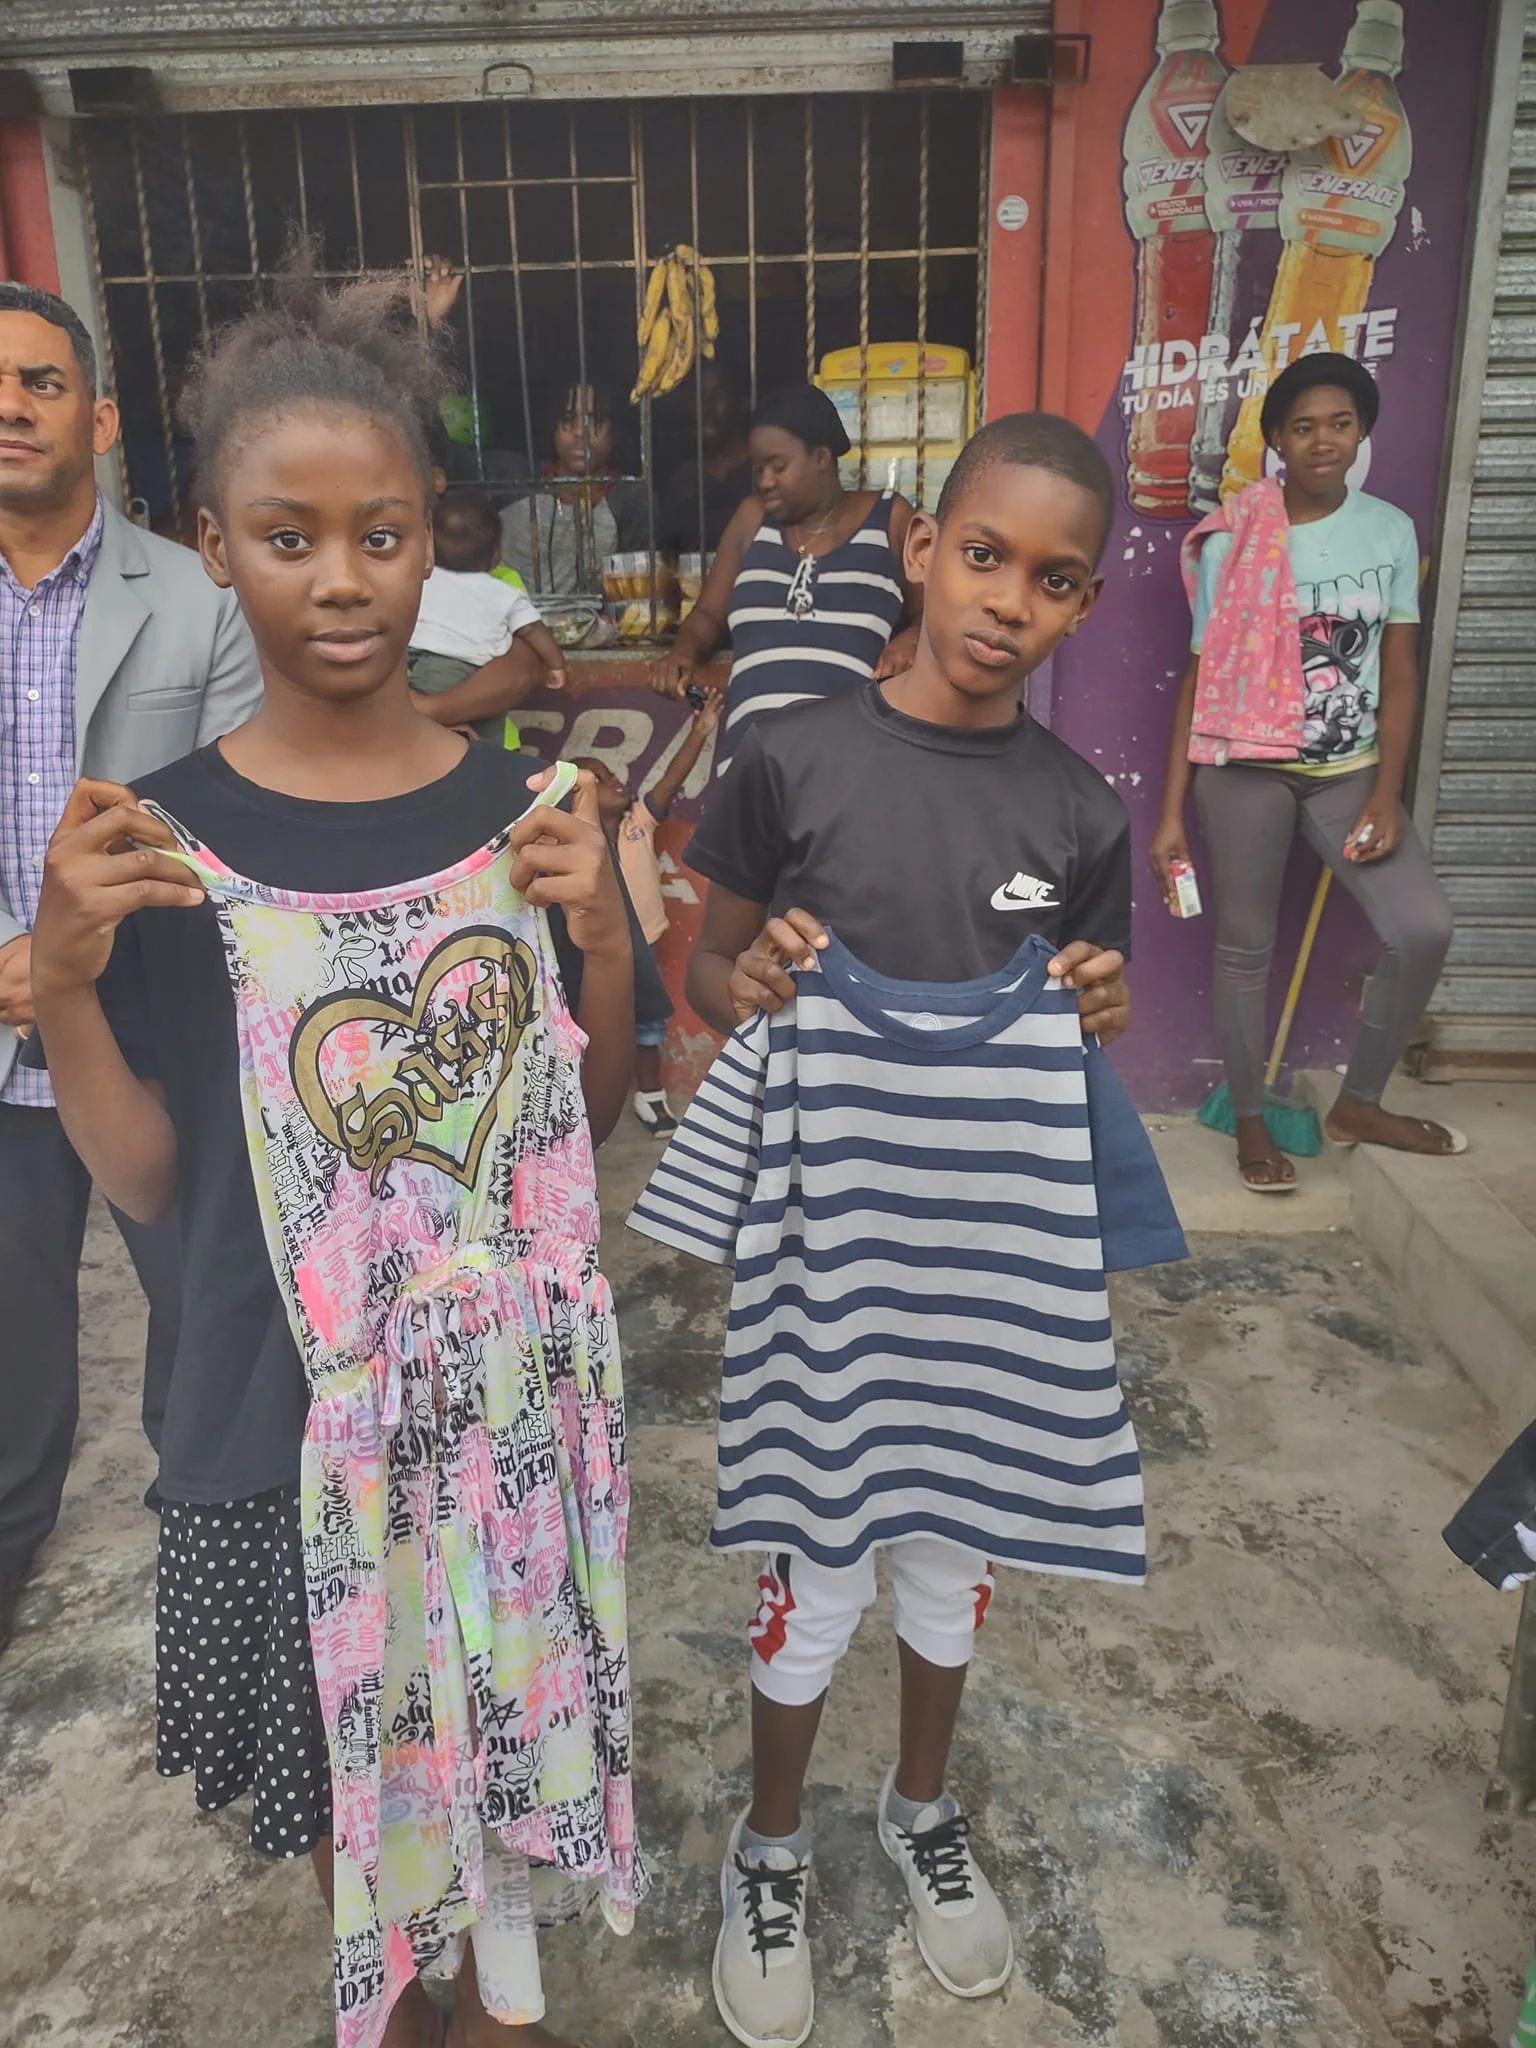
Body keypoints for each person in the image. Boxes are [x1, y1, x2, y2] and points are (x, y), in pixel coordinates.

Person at [29, 263, 648, 2048]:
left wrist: (602, 935)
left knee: (509, 1772)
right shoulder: (159, 847)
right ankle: (419, 1999)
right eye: (287, 534)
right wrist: (64, 985)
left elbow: (574, 1136)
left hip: (503, 1420)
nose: (341, 577)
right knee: (352, 1792)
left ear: (431, 542)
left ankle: (498, 1998)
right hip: (270, 1420)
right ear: (211, 542)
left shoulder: (523, 809)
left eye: (380, 532)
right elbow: (148, 1182)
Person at [647, 413, 1153, 2048]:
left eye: (1056, 578)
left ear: (1082, 604)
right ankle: (770, 1837)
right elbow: (713, 971)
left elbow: (1081, 1032)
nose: (1012, 598)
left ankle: (919, 1809)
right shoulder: (793, 755)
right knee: (818, 1565)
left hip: (985, 1267)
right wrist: (754, 982)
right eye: (987, 553)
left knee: (952, 1557)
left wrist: (1099, 1001)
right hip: (830, 1256)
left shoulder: (1079, 815)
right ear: (921, 548)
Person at [0, 281, 261, 1656]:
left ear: (95, 416)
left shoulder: (197, 595)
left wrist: (61, 962)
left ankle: (210, 1574)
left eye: (41, 381)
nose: (10, 405)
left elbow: (225, 813)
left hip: (153, 1033)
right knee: (9, 1356)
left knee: (202, 1328)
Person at [1149, 352, 1459, 1194]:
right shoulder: (1237, 535)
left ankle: (1359, 1102)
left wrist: (1388, 793)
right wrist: (1172, 811)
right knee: (1245, 948)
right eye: (1304, 426)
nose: (1323, 440)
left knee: (1421, 927)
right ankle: (1250, 1119)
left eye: (1341, 423)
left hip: (1348, 773)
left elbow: (1399, 671)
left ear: (1361, 433)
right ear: (1277, 440)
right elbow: (1199, 677)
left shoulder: (1390, 531)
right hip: (1244, 769)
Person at [650, 384, 921, 770]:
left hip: (847, 771)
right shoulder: (750, 519)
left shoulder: (889, 519)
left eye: (778, 467)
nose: (765, 481)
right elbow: (708, 615)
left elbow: (935, 613)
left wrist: (912, 639)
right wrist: (682, 653)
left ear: (821, 457)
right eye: (758, 469)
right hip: (748, 769)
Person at [578, 685, 723, 1136]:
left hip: (644, 946)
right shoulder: (574, 844)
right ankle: (582, 1102)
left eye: (612, 772)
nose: (615, 779)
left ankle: (650, 1096)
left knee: (648, 1025)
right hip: (596, 958)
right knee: (590, 1028)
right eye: (600, 779)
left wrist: (700, 731)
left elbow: (673, 777)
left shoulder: (637, 824)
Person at [408, 489, 569, 744]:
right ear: (496, 553)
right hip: (480, 673)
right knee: (486, 742)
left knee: (426, 739)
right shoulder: (504, 593)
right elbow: (533, 630)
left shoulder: (419, 581)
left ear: (429, 548)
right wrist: (556, 664)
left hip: (425, 667)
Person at [500, 382, 648, 597]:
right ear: (552, 427)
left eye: (596, 420)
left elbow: (637, 594)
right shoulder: (517, 485)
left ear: (615, 431)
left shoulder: (630, 498)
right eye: (568, 420)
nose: (581, 432)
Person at [656, 361, 754, 555]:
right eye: (697, 396)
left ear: (743, 402)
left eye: (718, 395)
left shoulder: (763, 471)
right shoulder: (683, 480)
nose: (706, 407)